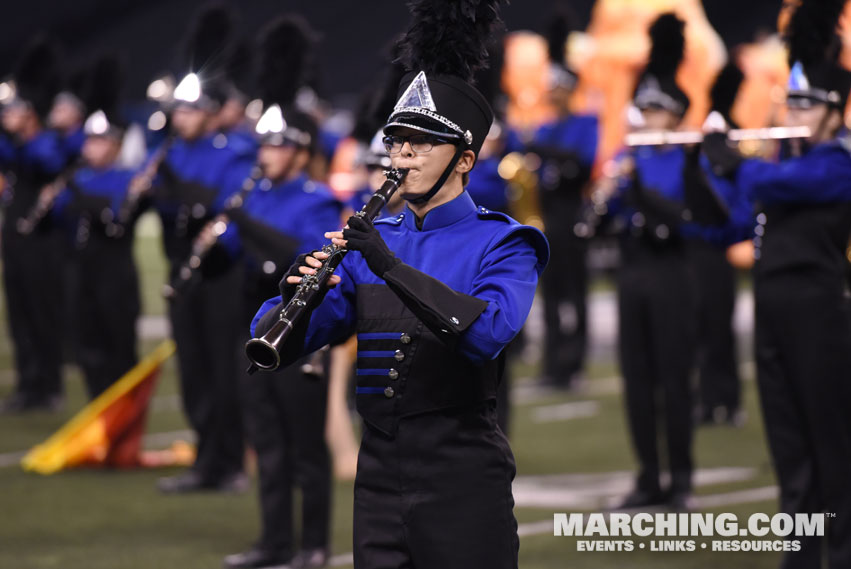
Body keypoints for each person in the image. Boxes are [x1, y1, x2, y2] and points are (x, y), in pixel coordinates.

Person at [250, 1, 547, 567]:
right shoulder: (368, 241)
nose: (402, 153)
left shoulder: (504, 243)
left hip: (462, 472)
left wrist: (387, 265)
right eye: (395, 141)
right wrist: (293, 295)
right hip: (379, 475)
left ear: (464, 159)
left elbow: (483, 335)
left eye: (421, 142)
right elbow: (279, 346)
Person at [703, 1, 851, 564]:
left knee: (833, 447)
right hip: (771, 309)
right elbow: (732, 224)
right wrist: (706, 165)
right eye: (793, 100)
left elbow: (787, 183)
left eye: (808, 103)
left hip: (820, 311)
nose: (796, 111)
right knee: (789, 448)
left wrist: (735, 160)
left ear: (834, 110)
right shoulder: (777, 168)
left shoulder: (837, 161)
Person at [222, 16, 338, 569]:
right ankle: (273, 542)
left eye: (276, 146)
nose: (264, 154)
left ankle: (314, 544)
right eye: (262, 146)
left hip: (297, 332)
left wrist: (243, 222)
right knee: (267, 444)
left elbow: (298, 258)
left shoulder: (314, 199)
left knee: (305, 449)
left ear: (299, 150)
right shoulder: (254, 193)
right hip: (253, 326)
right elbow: (233, 258)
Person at [607, 14, 727, 511]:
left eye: (656, 109)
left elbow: (700, 220)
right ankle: (647, 477)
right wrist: (612, 191)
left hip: (674, 272)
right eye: (643, 107)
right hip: (631, 272)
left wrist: (642, 196)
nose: (647, 116)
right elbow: (604, 218)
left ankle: (681, 479)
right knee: (636, 381)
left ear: (675, 113)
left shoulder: (687, 158)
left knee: (675, 379)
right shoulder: (627, 155)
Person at [150, 4, 255, 493]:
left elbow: (228, 210)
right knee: (192, 367)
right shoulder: (167, 151)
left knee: (223, 368)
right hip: (181, 264)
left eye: (191, 108)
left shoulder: (232, 151)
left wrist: (180, 195)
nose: (181, 115)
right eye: (179, 108)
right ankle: (203, 460)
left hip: (219, 270)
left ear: (211, 112)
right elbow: (164, 205)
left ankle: (230, 462)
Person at [52, 56, 140, 399]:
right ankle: (98, 415)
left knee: (118, 344)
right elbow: (58, 213)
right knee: (86, 343)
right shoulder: (77, 176)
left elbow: (117, 218)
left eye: (101, 141)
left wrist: (78, 197)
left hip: (114, 272)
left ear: (116, 145)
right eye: (89, 141)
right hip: (81, 268)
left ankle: (124, 423)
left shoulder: (125, 178)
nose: (92, 147)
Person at [528, 6, 598, 390]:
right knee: (552, 294)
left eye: (557, 86)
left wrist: (542, 150)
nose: (551, 93)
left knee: (576, 292)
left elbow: (582, 165)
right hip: (547, 216)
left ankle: (576, 362)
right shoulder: (543, 127)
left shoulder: (585, 122)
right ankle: (554, 365)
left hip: (572, 213)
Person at [0, 37, 67, 413]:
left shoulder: (46, 144)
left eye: (15, 109)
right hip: (15, 239)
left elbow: (44, 163)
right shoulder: (13, 146)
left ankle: (50, 385)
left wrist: (27, 131)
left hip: (43, 243)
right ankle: (28, 383)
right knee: (20, 313)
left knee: (43, 313)